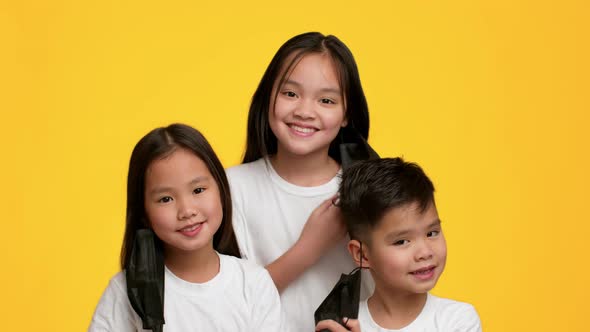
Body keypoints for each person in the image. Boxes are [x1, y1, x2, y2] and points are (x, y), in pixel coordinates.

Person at [226, 32, 374, 331]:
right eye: (290, 94)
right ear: (269, 96)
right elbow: (222, 304)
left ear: (347, 114)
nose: (305, 111)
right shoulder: (230, 188)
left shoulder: (368, 189)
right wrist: (309, 248)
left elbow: (399, 292)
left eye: (326, 100)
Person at [89, 124, 286, 331]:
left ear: (221, 189)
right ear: (144, 213)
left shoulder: (253, 284)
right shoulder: (125, 292)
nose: (186, 210)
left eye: (198, 190)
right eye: (165, 199)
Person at [316, 157, 481, 331]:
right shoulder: (344, 324)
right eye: (402, 241)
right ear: (362, 255)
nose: (425, 252)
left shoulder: (457, 319)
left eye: (431, 233)